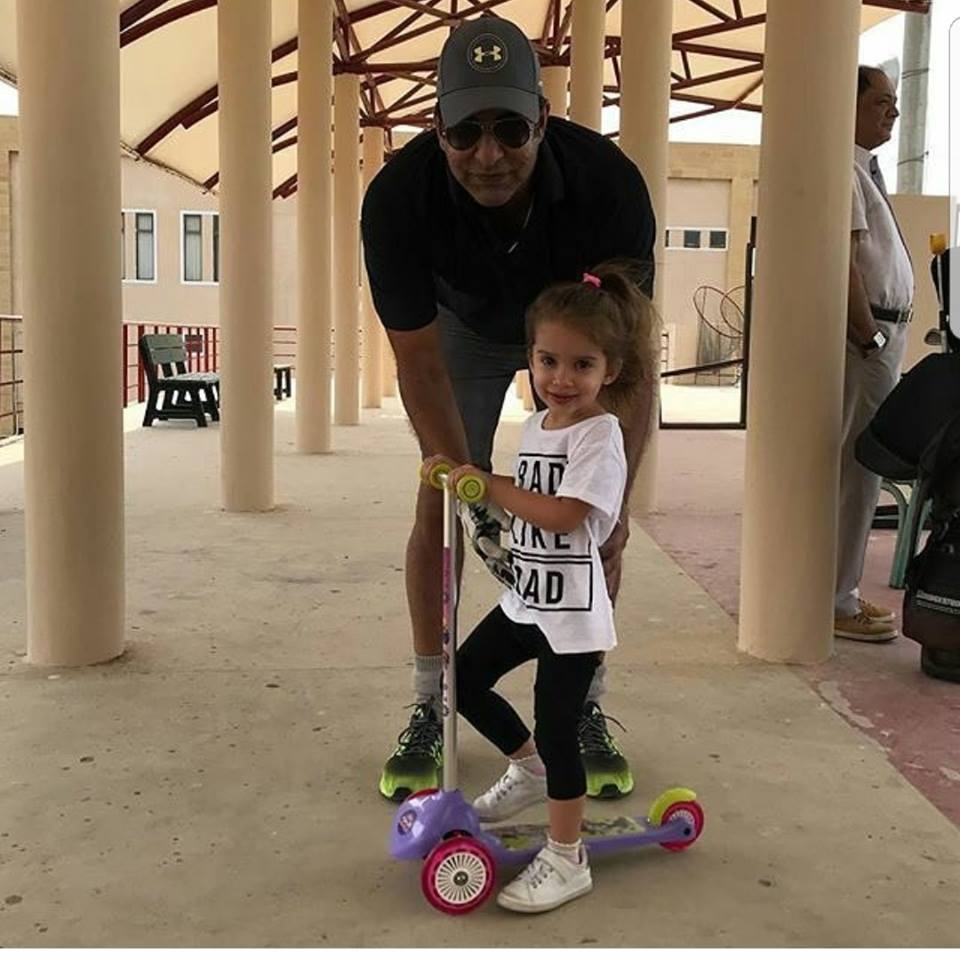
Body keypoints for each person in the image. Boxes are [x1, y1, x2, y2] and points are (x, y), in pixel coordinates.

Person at [362, 15, 657, 802]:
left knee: (601, 526)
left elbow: (632, 360)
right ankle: (432, 703)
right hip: (460, 335)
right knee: (438, 508)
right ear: (437, 129)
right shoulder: (397, 198)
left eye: (510, 128)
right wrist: (462, 477)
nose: (489, 154)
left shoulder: (608, 185)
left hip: (575, 343)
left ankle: (584, 706)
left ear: (543, 120)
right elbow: (417, 357)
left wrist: (613, 493)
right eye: (465, 132)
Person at [424, 260, 656, 913]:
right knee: (462, 678)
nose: (561, 378)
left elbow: (563, 513)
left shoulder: (600, 436)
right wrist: (462, 481)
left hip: (574, 613)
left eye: (581, 365)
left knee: (561, 726)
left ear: (609, 370)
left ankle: (566, 856)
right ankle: (527, 770)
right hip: (527, 596)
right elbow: (518, 511)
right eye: (548, 360)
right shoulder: (536, 427)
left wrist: (489, 482)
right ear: (530, 357)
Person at [835, 65, 914, 643]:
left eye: (895, 101)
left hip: (881, 336)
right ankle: (839, 599)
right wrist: (870, 337)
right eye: (882, 101)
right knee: (860, 469)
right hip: (869, 341)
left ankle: (842, 593)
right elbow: (845, 265)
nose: (891, 110)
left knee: (862, 468)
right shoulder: (844, 168)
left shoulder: (865, 170)